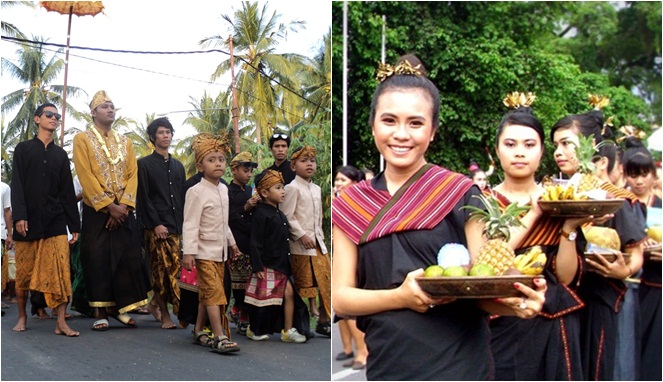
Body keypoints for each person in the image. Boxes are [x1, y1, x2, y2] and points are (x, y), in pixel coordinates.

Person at [331, 54, 547, 380]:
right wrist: (400, 296)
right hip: (388, 366)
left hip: (459, 365)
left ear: (433, 131)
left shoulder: (460, 192)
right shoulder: (351, 202)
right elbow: (341, 299)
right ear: (373, 125)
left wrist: (518, 304)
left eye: (416, 123)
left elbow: (481, 291)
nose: (401, 134)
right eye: (389, 121)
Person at [487, 93, 595, 380]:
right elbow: (484, 263)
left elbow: (566, 278)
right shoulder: (483, 201)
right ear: (496, 151)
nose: (519, 152)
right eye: (510, 144)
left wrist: (569, 228)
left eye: (529, 145)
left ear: (541, 152)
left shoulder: (561, 201)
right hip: (497, 319)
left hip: (553, 320)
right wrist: (534, 212)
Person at [550, 105, 646, 381]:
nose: (559, 152)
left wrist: (624, 271)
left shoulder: (612, 197)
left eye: (567, 143)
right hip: (558, 296)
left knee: (594, 368)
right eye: (556, 145)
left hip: (597, 296)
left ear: (590, 147)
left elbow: (635, 251)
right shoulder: (555, 194)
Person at [73, 90, 150, 331]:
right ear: (93, 112)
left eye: (112, 106)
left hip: (123, 211)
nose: (110, 110)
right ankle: (99, 311)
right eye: (105, 106)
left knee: (127, 259)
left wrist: (124, 206)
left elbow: (133, 174)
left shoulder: (125, 142)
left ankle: (118, 309)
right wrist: (109, 207)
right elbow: (85, 174)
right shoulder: (82, 139)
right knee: (97, 259)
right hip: (98, 211)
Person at [10, 102, 80, 336]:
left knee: (61, 271)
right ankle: (22, 317)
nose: (54, 118)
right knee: (24, 274)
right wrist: (19, 216)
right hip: (28, 222)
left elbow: (67, 192)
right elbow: (17, 184)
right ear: (37, 119)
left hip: (55, 221)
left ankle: (61, 321)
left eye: (57, 116)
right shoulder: (23, 149)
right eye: (49, 115)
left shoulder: (61, 155)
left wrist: (74, 225)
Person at [182, 133, 240, 354]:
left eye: (221, 159)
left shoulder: (223, 189)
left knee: (208, 293)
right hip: (203, 251)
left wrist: (232, 243)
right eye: (211, 159)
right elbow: (190, 224)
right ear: (200, 165)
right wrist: (189, 252)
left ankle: (198, 330)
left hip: (221, 251)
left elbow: (224, 223)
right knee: (215, 293)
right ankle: (219, 336)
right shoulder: (195, 192)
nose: (218, 163)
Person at [244, 169, 308, 343]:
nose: (283, 191)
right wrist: (257, 266)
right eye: (278, 188)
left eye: (282, 187)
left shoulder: (280, 214)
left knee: (288, 294)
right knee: (261, 301)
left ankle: (287, 330)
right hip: (266, 265)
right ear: (264, 192)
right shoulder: (261, 214)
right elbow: (255, 243)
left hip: (282, 265)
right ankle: (254, 328)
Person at [137, 117, 185, 330]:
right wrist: (155, 224)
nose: (166, 136)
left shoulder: (178, 166)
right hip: (156, 229)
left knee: (176, 272)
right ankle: (165, 315)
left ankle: (155, 305)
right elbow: (143, 198)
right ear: (153, 137)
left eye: (168, 132)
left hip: (177, 226)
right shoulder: (144, 164)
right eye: (161, 132)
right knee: (159, 272)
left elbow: (182, 197)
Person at [621, 137, 662, 381]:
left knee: (654, 349)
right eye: (633, 174)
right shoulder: (623, 204)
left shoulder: (661, 205)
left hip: (657, 284)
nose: (639, 181)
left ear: (653, 175)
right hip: (629, 283)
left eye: (644, 174)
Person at [282, 146, 332, 337]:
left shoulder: (317, 188)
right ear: (293, 166)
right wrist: (301, 235)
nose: (309, 163)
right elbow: (287, 216)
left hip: (318, 244)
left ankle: (323, 319)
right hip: (300, 247)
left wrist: (319, 237)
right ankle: (302, 322)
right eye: (304, 160)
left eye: (312, 160)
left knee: (325, 280)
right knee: (303, 285)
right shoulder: (291, 188)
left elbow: (318, 218)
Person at [332, 165, 369, 369]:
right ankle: (348, 349)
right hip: (338, 259)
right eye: (337, 180)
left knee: (351, 311)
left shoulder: (359, 203)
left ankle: (362, 353)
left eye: (343, 180)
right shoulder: (339, 202)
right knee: (341, 312)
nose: (338, 183)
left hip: (355, 262)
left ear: (355, 183)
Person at [227, 151, 259, 335]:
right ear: (234, 170)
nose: (248, 174)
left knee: (249, 280)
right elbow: (229, 218)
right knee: (238, 282)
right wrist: (246, 207)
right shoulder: (227, 191)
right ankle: (240, 312)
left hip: (250, 241)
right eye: (245, 170)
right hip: (235, 242)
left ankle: (240, 311)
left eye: (250, 171)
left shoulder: (250, 190)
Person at [1, 181, 13, 314]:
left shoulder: (4, 187)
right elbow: (7, 211)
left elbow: (8, 212)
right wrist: (9, 235)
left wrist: (9, 235)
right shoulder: (4, 187)